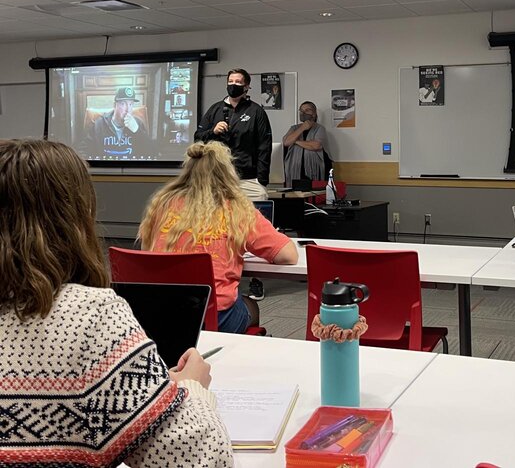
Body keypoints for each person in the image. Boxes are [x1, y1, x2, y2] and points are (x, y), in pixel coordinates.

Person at [0, 139, 233, 466]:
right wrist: (190, 389)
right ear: (77, 215)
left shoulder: (162, 203)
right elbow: (200, 460)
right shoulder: (89, 318)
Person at [138, 140, 298, 334]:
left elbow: (148, 253)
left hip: (158, 313)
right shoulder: (237, 210)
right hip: (213, 317)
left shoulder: (162, 205)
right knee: (251, 306)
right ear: (227, 173)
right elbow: (288, 255)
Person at [195, 68, 272, 200]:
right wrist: (213, 131)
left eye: (237, 82)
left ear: (246, 86)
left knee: (256, 211)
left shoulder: (256, 111)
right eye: (230, 81)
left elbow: (264, 146)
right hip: (217, 177)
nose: (233, 85)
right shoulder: (215, 109)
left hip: (248, 178)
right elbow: (198, 138)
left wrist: (262, 180)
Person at [78, 86, 148, 158]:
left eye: (131, 104)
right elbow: (82, 151)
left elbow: (150, 152)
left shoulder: (138, 123)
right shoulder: (98, 125)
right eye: (123, 104)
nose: (128, 109)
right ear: (115, 105)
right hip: (106, 168)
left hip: (129, 168)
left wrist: (137, 130)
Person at [282, 101, 328, 186]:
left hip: (313, 169)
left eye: (307, 110)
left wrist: (295, 141)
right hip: (294, 169)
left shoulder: (319, 128)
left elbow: (316, 145)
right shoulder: (294, 128)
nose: (303, 113)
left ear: (314, 113)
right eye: (301, 111)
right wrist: (302, 128)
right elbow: (286, 142)